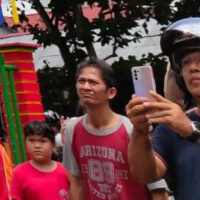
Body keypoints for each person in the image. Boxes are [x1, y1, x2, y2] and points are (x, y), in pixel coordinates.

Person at [62, 58, 167, 200]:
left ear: (111, 92)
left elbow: (157, 189)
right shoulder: (72, 129)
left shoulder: (132, 130)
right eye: (81, 81)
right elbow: (76, 181)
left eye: (93, 82)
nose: (85, 87)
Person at [127, 17, 200, 200]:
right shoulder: (172, 125)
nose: (192, 67)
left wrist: (192, 131)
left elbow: (189, 129)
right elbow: (145, 175)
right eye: (185, 62)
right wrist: (140, 132)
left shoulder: (183, 124)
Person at [10, 120, 69, 200]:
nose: (37, 146)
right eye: (31, 140)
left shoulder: (65, 170)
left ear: (53, 145)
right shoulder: (19, 173)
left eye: (42, 141)